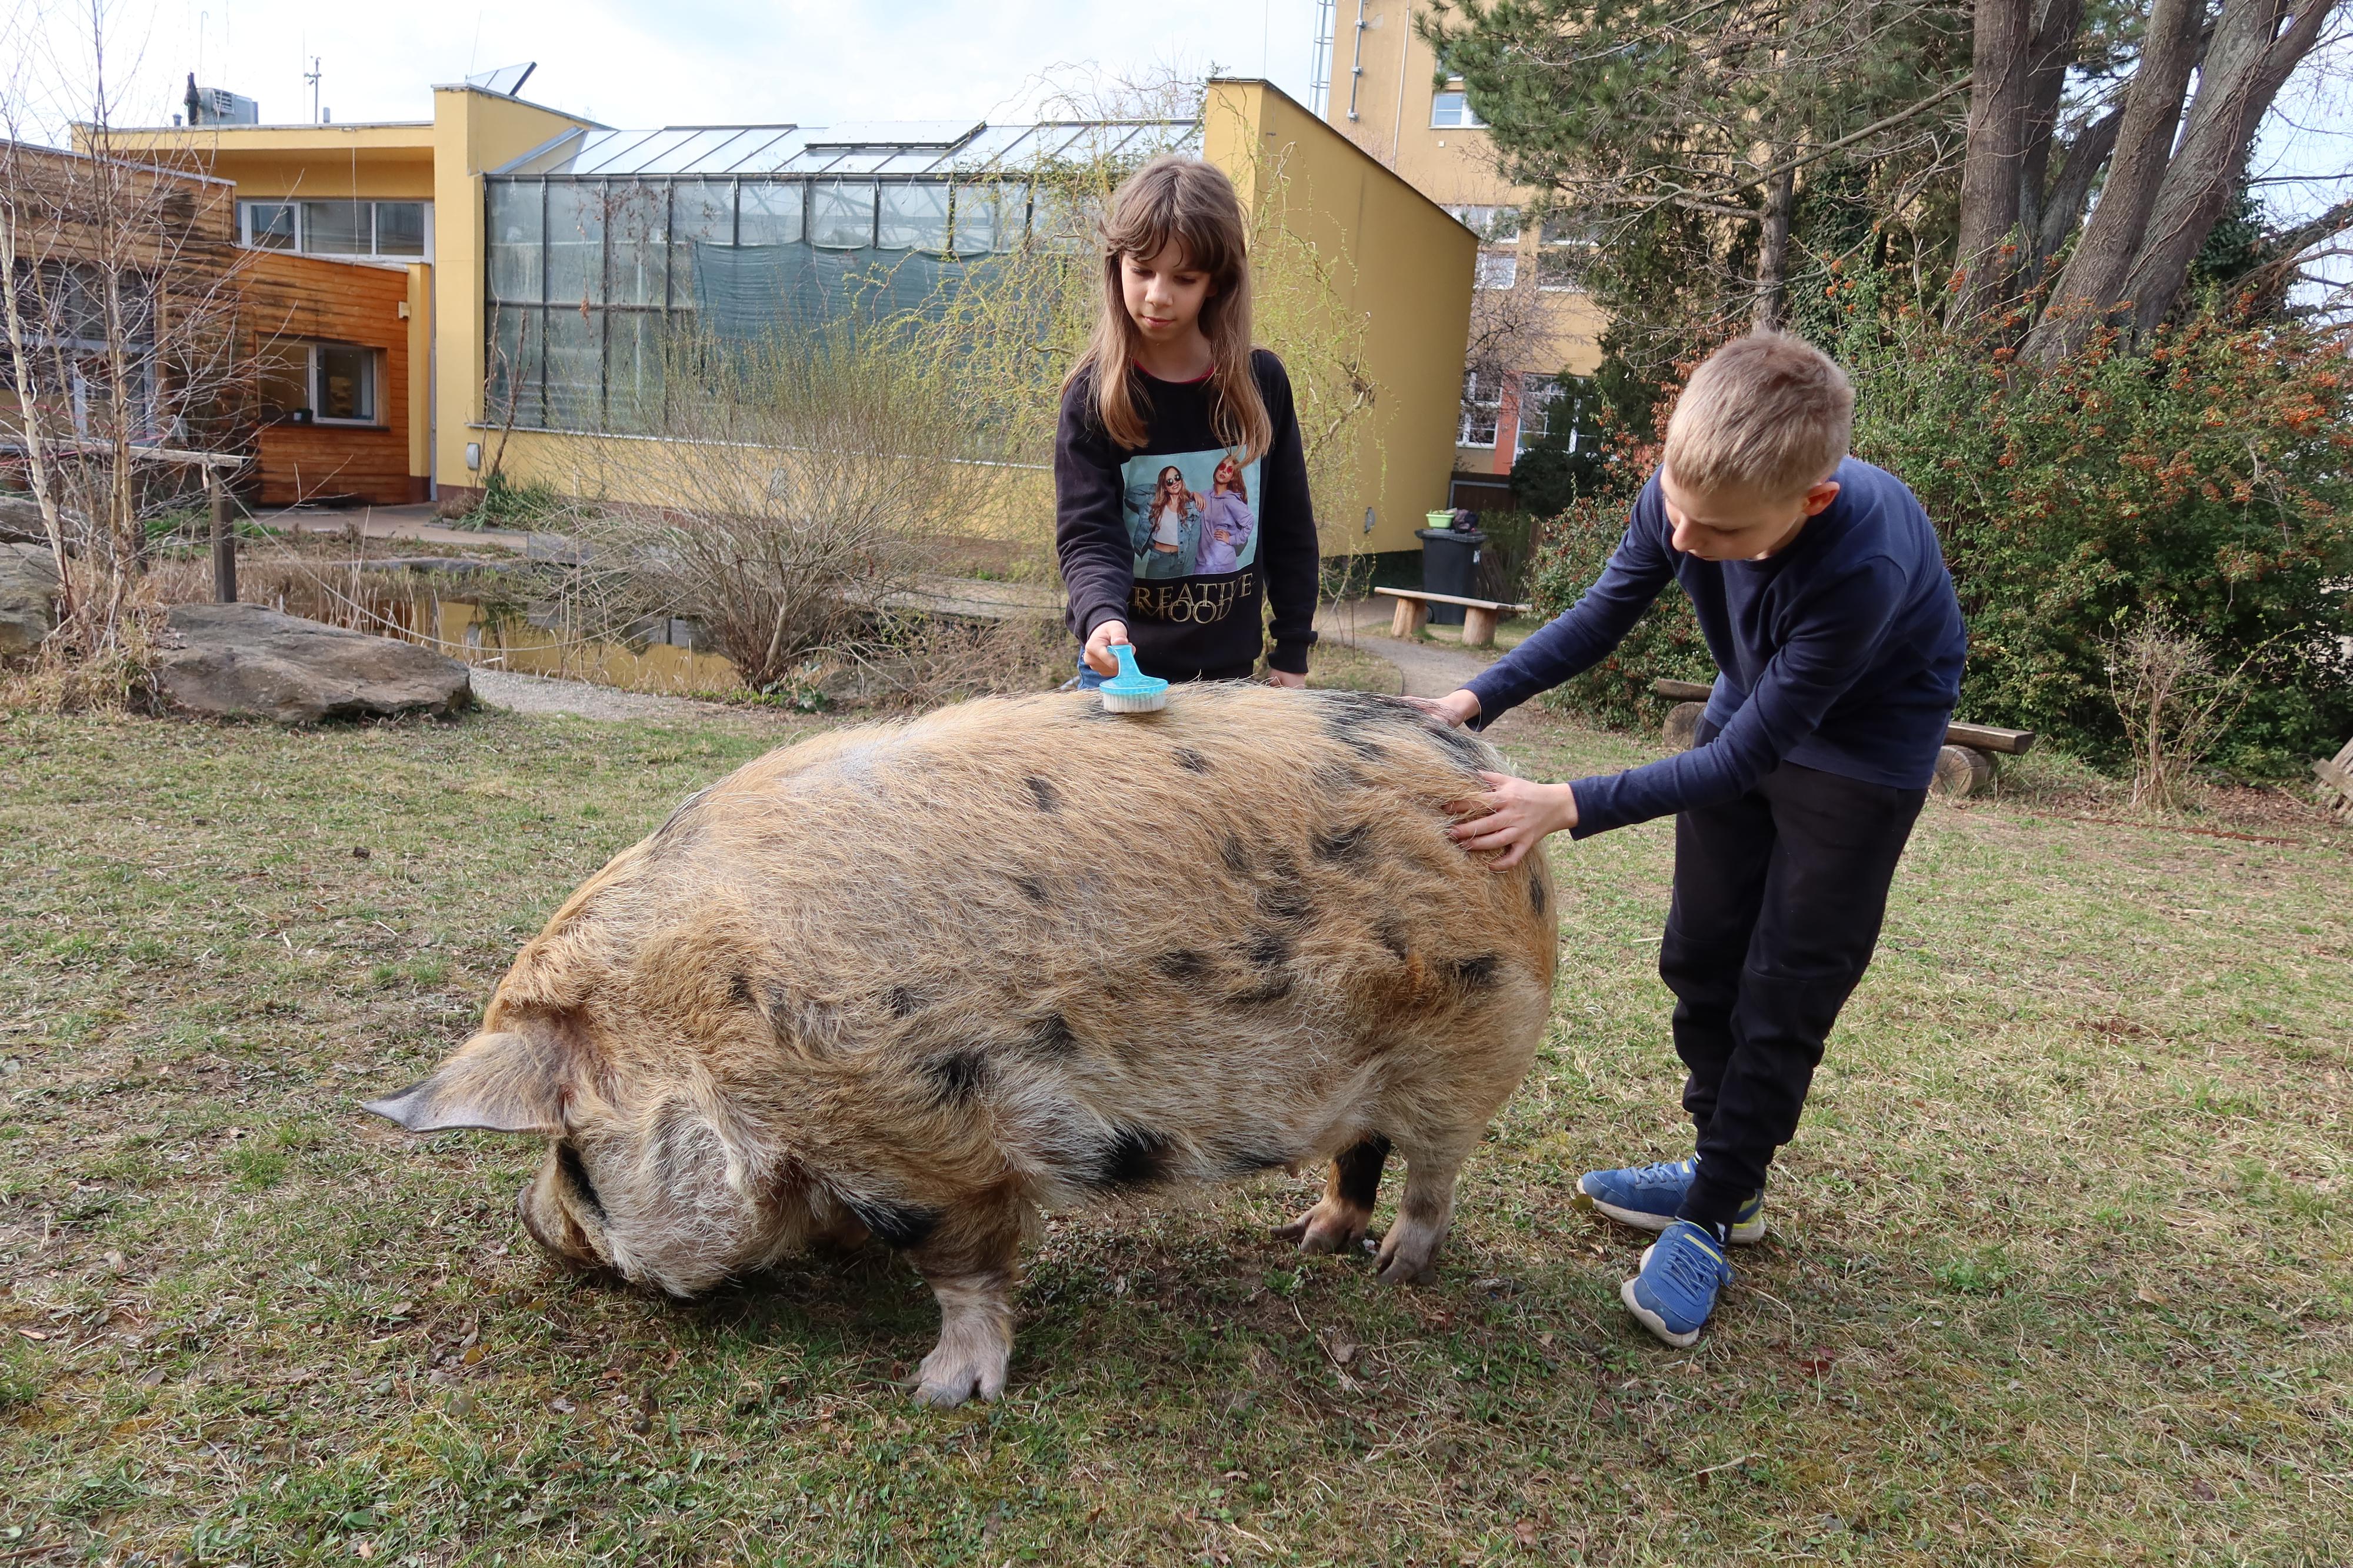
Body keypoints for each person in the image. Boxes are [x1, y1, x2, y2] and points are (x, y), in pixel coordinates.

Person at [1419, 331, 1966, 1347]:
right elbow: (1601, 614)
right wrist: (1472, 696)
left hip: (1862, 751)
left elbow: (1738, 763)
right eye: (1673, 503)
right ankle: (1730, 1168)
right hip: (1752, 703)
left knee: (1789, 977)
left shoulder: (1864, 561)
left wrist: (1564, 802)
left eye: (1714, 531)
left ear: (1812, 504)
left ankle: (1714, 1211)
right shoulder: (1687, 493)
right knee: (1700, 951)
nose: (1681, 536)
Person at [1056, 155, 1317, 689]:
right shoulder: (1092, 396)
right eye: (1143, 270)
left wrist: (1292, 651)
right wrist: (1103, 616)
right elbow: (1088, 534)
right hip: (1119, 674)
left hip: (1229, 679)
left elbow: (1290, 531)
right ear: (1117, 265)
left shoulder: (1263, 383)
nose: (1157, 295)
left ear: (1217, 284)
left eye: (1184, 277)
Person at [1195, 454, 1257, 575]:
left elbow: (1250, 520)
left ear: (1233, 477)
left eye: (1229, 470)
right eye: (1222, 467)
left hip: (1223, 565)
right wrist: (1194, 495)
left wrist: (1231, 539)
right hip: (1201, 564)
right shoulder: (1205, 495)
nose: (1224, 471)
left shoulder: (1231, 500)